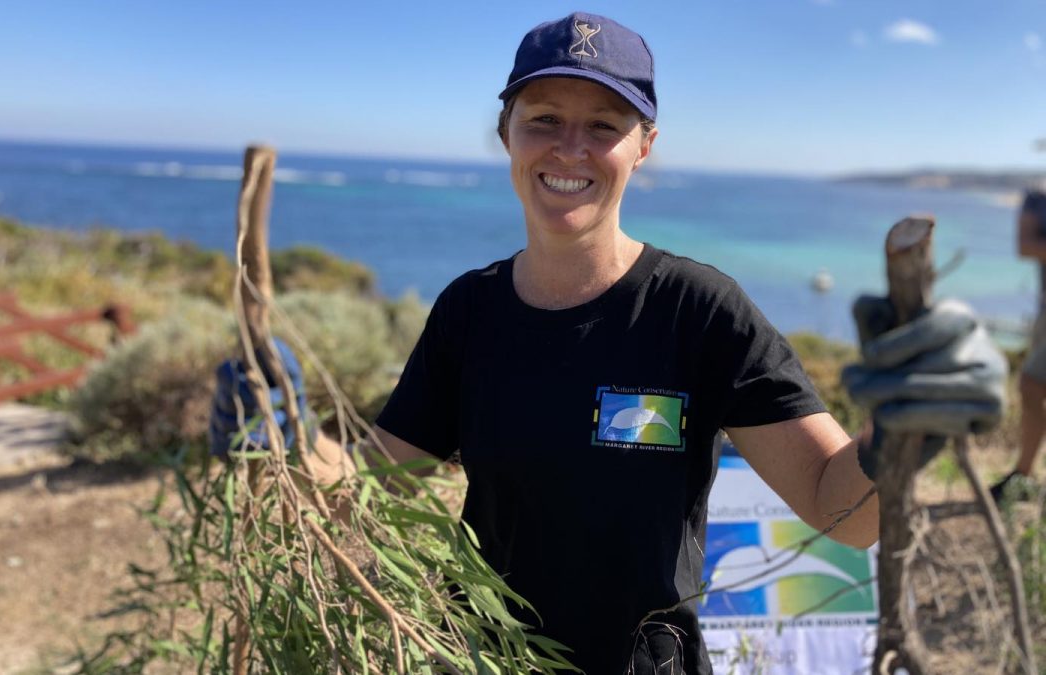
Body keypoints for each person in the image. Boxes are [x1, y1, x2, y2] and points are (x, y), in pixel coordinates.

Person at [212, 13, 1005, 674]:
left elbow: (845, 512)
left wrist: (898, 436)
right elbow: (372, 485)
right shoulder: (469, 310)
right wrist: (284, 437)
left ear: (644, 145)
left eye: (604, 126)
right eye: (545, 122)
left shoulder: (699, 311)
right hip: (483, 657)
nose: (571, 149)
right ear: (507, 135)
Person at [991, 190, 1046, 501]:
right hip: (1044, 310)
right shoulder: (1036, 198)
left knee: (1032, 384)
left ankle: (1023, 475)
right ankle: (1023, 476)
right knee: (1033, 387)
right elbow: (1025, 246)